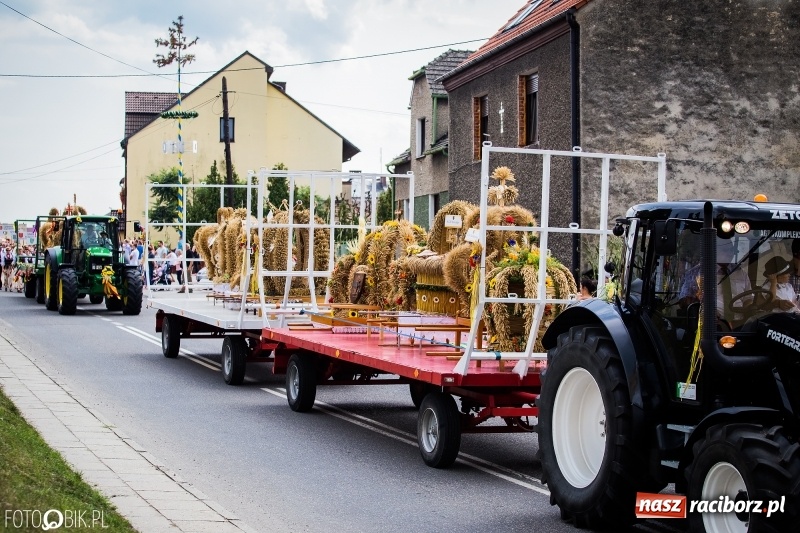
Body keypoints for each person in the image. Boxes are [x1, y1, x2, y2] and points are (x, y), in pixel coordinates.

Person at [679, 238, 752, 323]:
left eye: (731, 250)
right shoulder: (698, 272)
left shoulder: (740, 272)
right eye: (725, 250)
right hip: (711, 324)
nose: (729, 253)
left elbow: (748, 298)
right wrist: (706, 311)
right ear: (714, 251)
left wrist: (751, 308)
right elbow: (685, 301)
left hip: (740, 324)